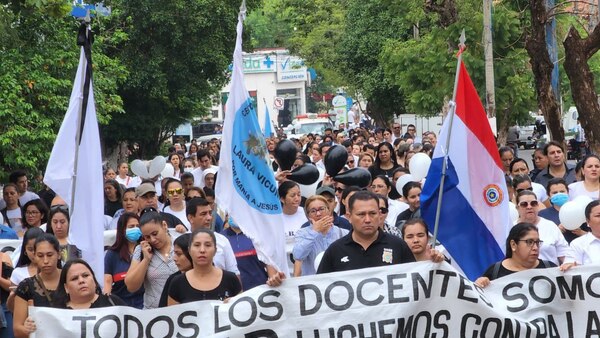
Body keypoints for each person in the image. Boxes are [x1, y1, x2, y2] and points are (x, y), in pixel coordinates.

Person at [317, 191, 419, 273]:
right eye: (361, 214)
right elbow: (321, 288)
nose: (367, 219)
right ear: (349, 216)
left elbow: (414, 283)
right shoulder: (335, 250)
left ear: (379, 215)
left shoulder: (398, 245)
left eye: (372, 213)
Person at [167, 229, 242, 305]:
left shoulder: (231, 279)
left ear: (215, 250)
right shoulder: (177, 283)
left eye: (208, 245)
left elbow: (242, 311)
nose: (202, 250)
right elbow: (172, 314)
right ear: (189, 250)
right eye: (197, 245)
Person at [475, 223, 557, 287]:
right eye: (529, 242)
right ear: (513, 244)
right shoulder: (494, 272)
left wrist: (568, 272)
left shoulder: (550, 268)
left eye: (537, 242)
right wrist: (481, 283)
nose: (535, 247)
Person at [124, 210, 178, 309]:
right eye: (147, 237)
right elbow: (131, 286)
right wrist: (146, 259)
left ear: (164, 225)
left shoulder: (179, 244)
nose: (152, 240)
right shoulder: (141, 250)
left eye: (155, 233)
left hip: (182, 311)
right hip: (153, 314)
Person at [12, 234, 61, 338]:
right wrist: (27, 329)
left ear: (59, 254)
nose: (46, 261)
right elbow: (17, 329)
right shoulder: (26, 286)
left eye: (50, 255)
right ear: (34, 256)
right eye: (40, 255)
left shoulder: (71, 279)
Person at [293, 195, 349, 277]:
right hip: (313, 283)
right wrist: (314, 231)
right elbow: (298, 255)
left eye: (321, 209)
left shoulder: (343, 233)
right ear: (308, 216)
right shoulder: (302, 233)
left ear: (329, 210)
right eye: (313, 211)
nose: (318, 214)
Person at [186, 198, 239, 275]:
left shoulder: (223, 241)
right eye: (203, 214)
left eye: (210, 213)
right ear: (191, 218)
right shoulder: (182, 241)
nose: (209, 218)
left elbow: (234, 273)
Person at [515, 190, 570, 265]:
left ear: (537, 205)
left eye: (533, 203)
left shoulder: (550, 226)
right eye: (524, 204)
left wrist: (568, 264)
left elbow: (565, 254)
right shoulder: (511, 228)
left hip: (550, 273)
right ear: (517, 208)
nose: (529, 207)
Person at [221, 216, 274, 290]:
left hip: (259, 291)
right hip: (233, 294)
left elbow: (270, 264)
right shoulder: (220, 238)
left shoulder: (258, 235)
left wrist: (273, 284)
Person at [104, 212, 144, 309]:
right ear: (123, 230)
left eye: (137, 226)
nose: (135, 229)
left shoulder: (146, 251)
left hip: (145, 306)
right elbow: (107, 282)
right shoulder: (112, 254)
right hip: (121, 307)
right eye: (131, 227)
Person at [52, 259, 126, 309]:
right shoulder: (58, 312)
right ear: (66, 287)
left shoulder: (113, 303)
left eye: (85, 275)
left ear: (94, 279)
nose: (81, 281)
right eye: (74, 278)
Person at [539, 178, 588, 243]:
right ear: (549, 195)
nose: (559, 194)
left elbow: (594, 235)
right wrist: (556, 231)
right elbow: (541, 237)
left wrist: (581, 232)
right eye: (555, 193)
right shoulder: (543, 215)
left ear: (567, 192)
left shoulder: (581, 210)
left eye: (562, 191)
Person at [158, 234, 192, 307]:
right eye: (175, 253)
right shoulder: (173, 280)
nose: (174, 258)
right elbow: (163, 311)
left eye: (179, 254)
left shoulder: (218, 276)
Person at [562, 200, 600, 266]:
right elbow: (570, 270)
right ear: (588, 221)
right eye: (598, 215)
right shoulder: (577, 244)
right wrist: (571, 266)